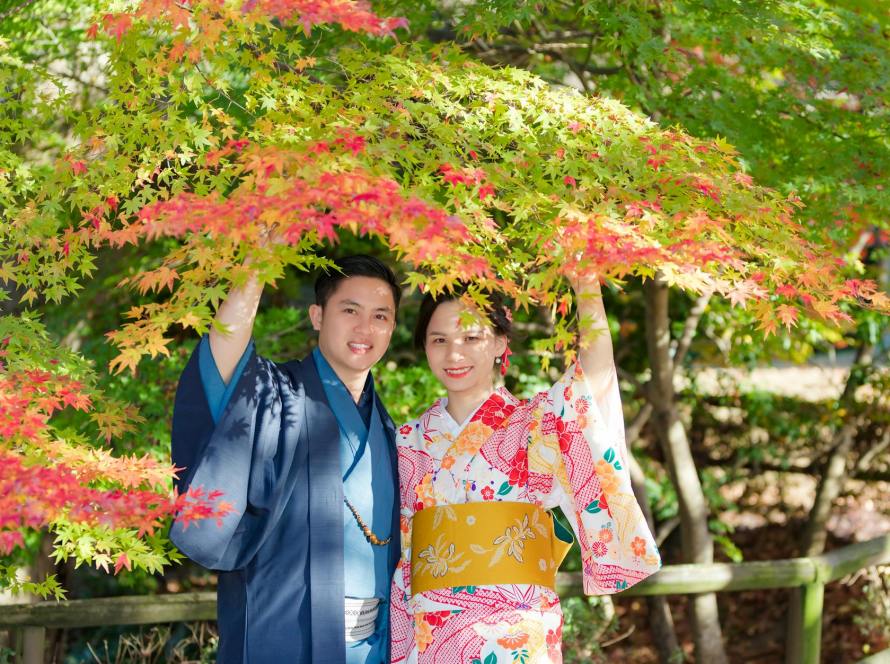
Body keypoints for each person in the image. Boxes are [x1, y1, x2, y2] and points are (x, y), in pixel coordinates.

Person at [390, 276, 661, 663]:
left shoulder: (535, 424)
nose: (454, 354)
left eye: (470, 338)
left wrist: (587, 288)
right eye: (439, 340)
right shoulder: (405, 440)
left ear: (501, 343)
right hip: (426, 630)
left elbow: (594, 380)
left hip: (514, 631)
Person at [169, 254, 402, 664]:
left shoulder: (390, 429)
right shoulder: (279, 396)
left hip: (373, 647)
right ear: (317, 315)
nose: (365, 328)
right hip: (285, 637)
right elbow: (224, 359)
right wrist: (257, 266)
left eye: (380, 316)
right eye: (350, 310)